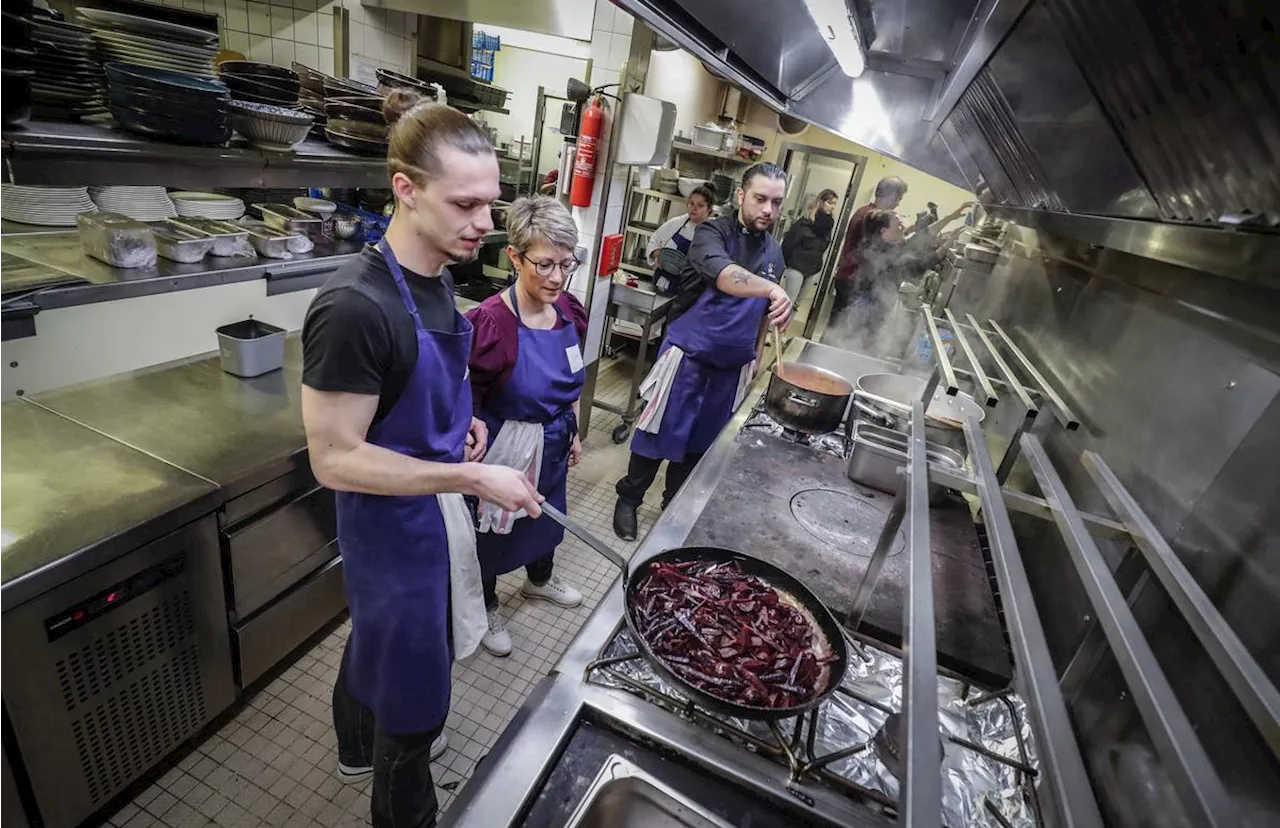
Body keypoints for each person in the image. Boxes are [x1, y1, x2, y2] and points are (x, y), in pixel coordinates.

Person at [300, 89, 542, 828]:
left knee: (377, 642)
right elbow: (335, 460)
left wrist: (461, 421)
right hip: (389, 532)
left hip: (430, 515)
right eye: (465, 204)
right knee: (415, 698)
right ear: (404, 190)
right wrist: (469, 474)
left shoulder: (439, 278)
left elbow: (421, 386)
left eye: (491, 205)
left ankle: (352, 743)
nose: (484, 225)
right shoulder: (354, 308)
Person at [612, 163, 793, 541]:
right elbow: (726, 276)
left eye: (776, 203)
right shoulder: (713, 231)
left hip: (732, 367)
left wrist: (757, 355)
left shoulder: (775, 251)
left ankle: (673, 504)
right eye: (760, 199)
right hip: (688, 358)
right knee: (657, 433)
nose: (768, 211)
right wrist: (773, 290)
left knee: (700, 444)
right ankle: (629, 499)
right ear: (742, 195)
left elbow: (762, 316)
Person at [465, 195, 588, 657]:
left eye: (565, 264)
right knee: (493, 529)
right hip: (506, 447)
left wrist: (573, 430)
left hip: (554, 439)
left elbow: (574, 380)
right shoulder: (489, 324)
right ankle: (487, 602)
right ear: (514, 257)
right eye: (544, 264)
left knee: (547, 514)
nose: (557, 277)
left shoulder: (571, 312)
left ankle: (539, 579)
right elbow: (467, 399)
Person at [830, 176, 907, 321]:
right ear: (891, 196)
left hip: (849, 277)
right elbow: (873, 250)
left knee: (839, 324)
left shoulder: (865, 211)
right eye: (898, 199)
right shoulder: (870, 216)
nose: (897, 204)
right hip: (852, 280)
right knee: (845, 326)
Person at [646, 184, 716, 325]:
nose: (693, 208)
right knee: (654, 326)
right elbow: (654, 239)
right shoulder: (677, 223)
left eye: (700, 205)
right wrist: (655, 253)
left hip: (687, 294)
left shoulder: (712, 234)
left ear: (709, 211)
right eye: (691, 203)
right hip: (662, 286)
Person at [780, 188, 838, 306]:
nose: (832, 207)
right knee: (788, 302)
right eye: (830, 203)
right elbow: (788, 243)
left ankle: (785, 325)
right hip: (797, 267)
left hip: (814, 268)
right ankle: (775, 325)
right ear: (821, 202)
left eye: (834, 204)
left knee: (797, 304)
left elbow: (824, 247)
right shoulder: (805, 222)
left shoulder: (828, 225)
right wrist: (785, 263)